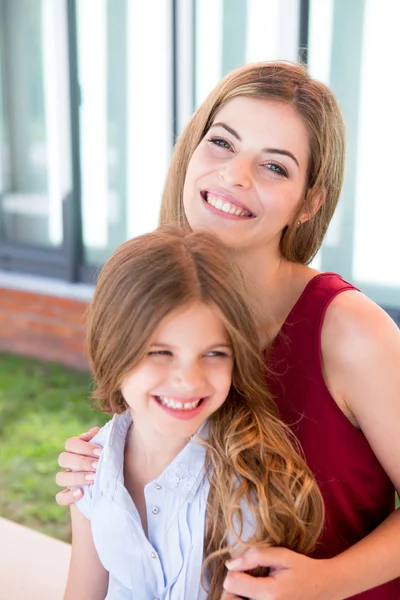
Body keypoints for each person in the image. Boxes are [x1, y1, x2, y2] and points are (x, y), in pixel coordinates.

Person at [57, 62, 400, 599]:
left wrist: (328, 581)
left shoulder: (349, 330)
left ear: (309, 203)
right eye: (221, 143)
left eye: (275, 167)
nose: (235, 177)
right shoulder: (169, 293)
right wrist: (104, 462)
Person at [63, 228, 324, 600]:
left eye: (214, 353)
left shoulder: (249, 484)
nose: (188, 381)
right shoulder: (90, 466)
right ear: (112, 349)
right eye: (160, 352)